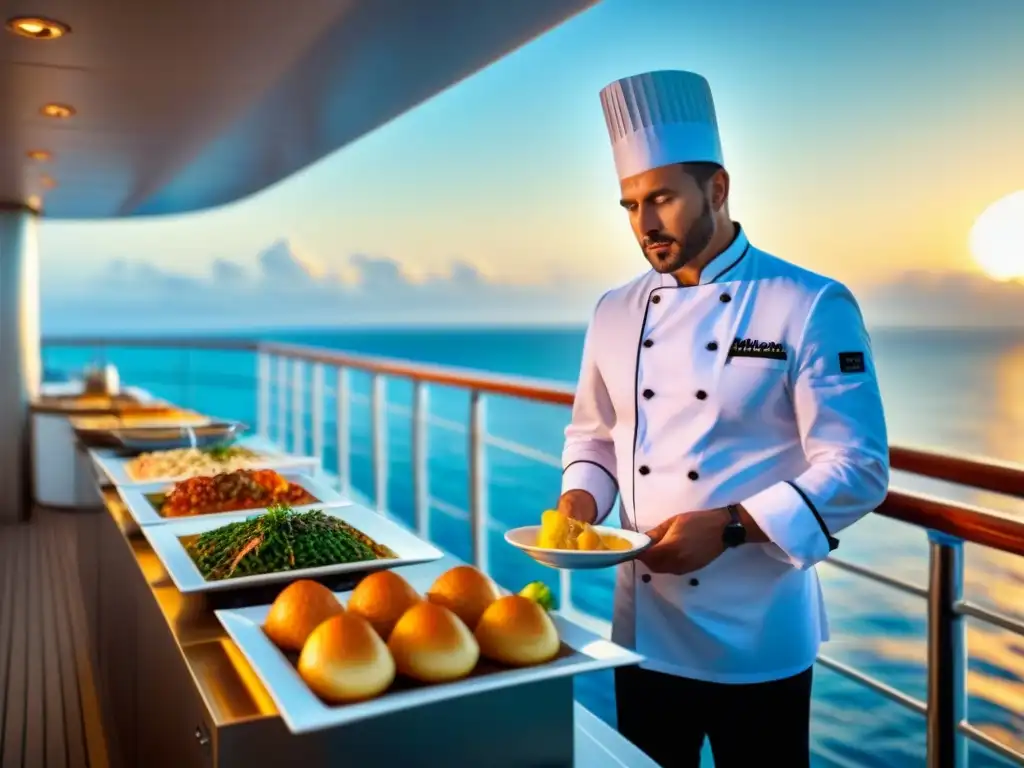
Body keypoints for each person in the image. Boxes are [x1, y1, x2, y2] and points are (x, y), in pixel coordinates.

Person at [557, 69, 890, 768]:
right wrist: (580, 501)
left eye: (662, 199)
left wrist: (733, 525)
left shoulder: (809, 302)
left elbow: (858, 467)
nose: (645, 224)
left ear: (717, 189)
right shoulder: (613, 310)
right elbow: (594, 432)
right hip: (644, 626)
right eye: (629, 205)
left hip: (758, 635)